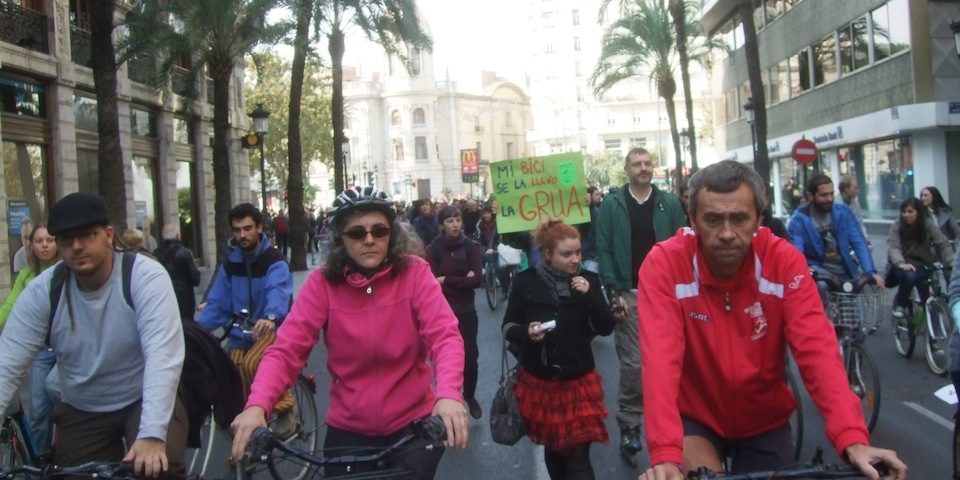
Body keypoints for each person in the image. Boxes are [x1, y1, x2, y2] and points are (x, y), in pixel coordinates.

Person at [637, 161, 907, 480]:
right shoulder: (665, 264)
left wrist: (852, 437)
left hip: (764, 419)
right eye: (713, 219)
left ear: (759, 220)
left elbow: (817, 350)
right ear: (693, 219)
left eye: (739, 218)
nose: (726, 233)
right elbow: (660, 361)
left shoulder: (783, 260)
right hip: (696, 418)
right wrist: (665, 455)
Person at [230, 186, 468, 479]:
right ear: (340, 239)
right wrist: (257, 405)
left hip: (413, 426)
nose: (369, 239)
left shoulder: (415, 273)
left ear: (392, 235)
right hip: (349, 428)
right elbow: (286, 350)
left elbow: (444, 336)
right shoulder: (321, 284)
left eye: (379, 231)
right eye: (356, 233)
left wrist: (448, 395)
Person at [0, 192, 187, 478]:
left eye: (87, 235)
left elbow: (162, 356)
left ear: (108, 235)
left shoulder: (145, 276)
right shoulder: (43, 291)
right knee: (71, 474)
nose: (77, 246)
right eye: (66, 239)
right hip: (83, 406)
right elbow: (7, 364)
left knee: (157, 468)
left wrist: (151, 433)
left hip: (142, 395)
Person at [502, 219, 616, 479]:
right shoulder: (526, 282)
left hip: (578, 380)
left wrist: (590, 296)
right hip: (543, 382)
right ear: (548, 254)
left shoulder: (588, 280)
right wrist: (527, 332)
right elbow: (508, 326)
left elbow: (606, 327)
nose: (575, 259)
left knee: (578, 457)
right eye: (566, 254)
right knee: (555, 452)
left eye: (578, 252)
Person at [594, 147, 687, 461]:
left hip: (666, 294)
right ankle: (630, 424)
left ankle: (679, 424)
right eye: (637, 164)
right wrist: (613, 291)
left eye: (648, 163)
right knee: (634, 363)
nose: (643, 168)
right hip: (629, 292)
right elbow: (604, 249)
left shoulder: (669, 204)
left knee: (674, 361)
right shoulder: (612, 205)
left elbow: (682, 246)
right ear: (627, 169)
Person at [196, 203, 294, 406]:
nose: (242, 235)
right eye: (237, 230)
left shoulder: (274, 261)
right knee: (227, 372)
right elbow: (219, 302)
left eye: (247, 228)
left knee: (252, 365)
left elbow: (277, 291)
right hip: (242, 333)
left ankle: (283, 407)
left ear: (259, 228)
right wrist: (196, 329)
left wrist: (271, 317)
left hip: (273, 329)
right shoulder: (231, 264)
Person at [0, 223, 58, 454]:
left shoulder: (66, 270)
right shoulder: (26, 275)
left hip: (66, 349)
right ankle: (40, 460)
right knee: (38, 409)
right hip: (41, 350)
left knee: (57, 388)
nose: (44, 245)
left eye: (50, 240)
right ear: (31, 246)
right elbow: (10, 306)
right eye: (39, 241)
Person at [788, 173, 883, 303]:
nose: (829, 199)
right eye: (823, 195)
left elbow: (858, 243)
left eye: (831, 194)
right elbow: (797, 255)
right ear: (810, 196)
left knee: (856, 307)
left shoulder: (843, 212)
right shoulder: (798, 221)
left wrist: (870, 272)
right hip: (818, 274)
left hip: (844, 269)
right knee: (822, 288)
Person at [426, 205, 483, 419]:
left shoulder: (470, 247)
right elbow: (432, 283)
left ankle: (470, 395)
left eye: (458, 220)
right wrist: (462, 280)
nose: (455, 224)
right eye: (450, 221)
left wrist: (447, 280)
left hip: (466, 310)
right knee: (444, 359)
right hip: (442, 312)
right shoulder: (433, 249)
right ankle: (448, 398)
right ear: (442, 224)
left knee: (470, 359)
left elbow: (477, 280)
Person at [886, 197, 954, 319]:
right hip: (901, 266)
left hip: (922, 265)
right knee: (909, 276)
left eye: (910, 211)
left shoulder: (928, 225)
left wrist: (951, 262)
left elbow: (942, 243)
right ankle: (900, 304)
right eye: (904, 211)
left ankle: (930, 324)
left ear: (918, 212)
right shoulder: (897, 225)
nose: (906, 215)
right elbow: (893, 247)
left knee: (927, 299)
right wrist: (901, 263)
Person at [154, 224, 201, 321]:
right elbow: (195, 279)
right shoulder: (185, 252)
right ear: (177, 236)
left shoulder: (156, 254)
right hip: (184, 299)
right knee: (186, 325)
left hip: (164, 298)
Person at [839, 175, 871, 249]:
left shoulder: (855, 203)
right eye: (855, 188)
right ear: (846, 189)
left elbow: (860, 223)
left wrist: (867, 241)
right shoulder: (836, 204)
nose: (858, 191)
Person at [579, 186, 604, 273]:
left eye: (599, 194)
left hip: (591, 256)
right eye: (596, 194)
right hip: (587, 255)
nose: (599, 196)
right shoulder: (591, 212)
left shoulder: (597, 211)